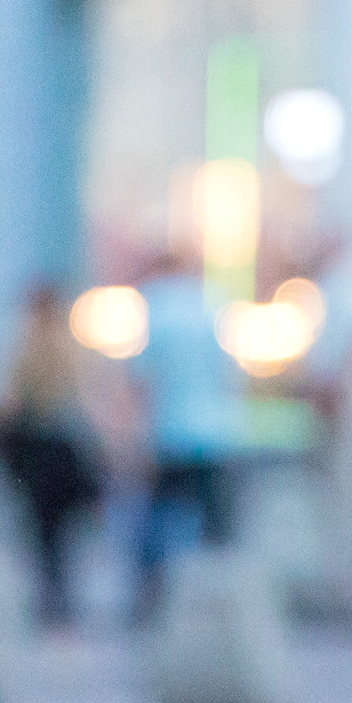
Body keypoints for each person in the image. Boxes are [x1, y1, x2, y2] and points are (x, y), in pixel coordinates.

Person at [127, 255, 245, 626]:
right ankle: (218, 608)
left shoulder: (155, 304)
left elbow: (142, 380)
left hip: (169, 432)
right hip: (214, 433)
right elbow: (228, 373)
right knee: (215, 526)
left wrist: (136, 436)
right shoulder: (213, 305)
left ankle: (153, 597)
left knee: (159, 517)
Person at [0, 283, 103, 630]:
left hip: (40, 449)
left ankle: (52, 598)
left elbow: (8, 402)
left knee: (43, 532)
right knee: (63, 533)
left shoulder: (26, 348)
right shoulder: (74, 348)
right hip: (67, 449)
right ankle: (61, 597)